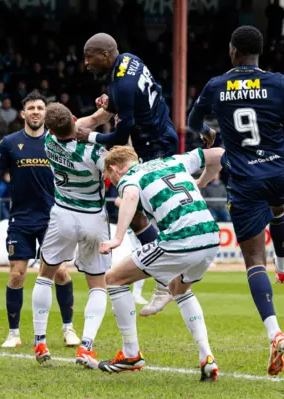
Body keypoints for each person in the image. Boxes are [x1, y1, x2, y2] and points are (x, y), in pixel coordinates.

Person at [187, 26, 284, 375]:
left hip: (243, 181)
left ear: (234, 50)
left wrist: (206, 131)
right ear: (258, 53)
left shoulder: (216, 85)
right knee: (279, 207)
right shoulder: (278, 82)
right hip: (276, 173)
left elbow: (194, 121)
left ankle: (274, 331)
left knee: (254, 260)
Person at [94, 146, 223, 381]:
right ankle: (207, 357)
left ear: (114, 168)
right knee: (180, 288)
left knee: (114, 279)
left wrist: (117, 238)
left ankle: (131, 354)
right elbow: (219, 154)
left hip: (181, 239)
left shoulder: (130, 177)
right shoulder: (174, 160)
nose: (111, 181)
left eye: (109, 177)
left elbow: (130, 197)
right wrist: (202, 181)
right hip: (212, 236)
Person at [75, 33, 179, 311]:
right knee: (136, 216)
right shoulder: (129, 62)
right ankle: (166, 276)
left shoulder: (121, 83)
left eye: (90, 56)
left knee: (153, 216)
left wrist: (91, 138)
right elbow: (141, 92)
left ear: (106, 56)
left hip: (155, 148)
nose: (86, 63)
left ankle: (167, 277)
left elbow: (120, 135)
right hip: (161, 135)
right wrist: (111, 102)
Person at [0, 92, 79, 348]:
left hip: (52, 219)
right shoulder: (9, 143)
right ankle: (13, 334)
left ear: (46, 114)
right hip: (20, 220)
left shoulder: (58, 142)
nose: (35, 112)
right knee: (17, 275)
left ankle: (68, 328)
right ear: (23, 114)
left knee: (60, 272)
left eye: (40, 108)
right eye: (31, 108)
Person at [31, 103, 110, 366]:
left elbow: (75, 123)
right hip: (93, 217)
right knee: (97, 285)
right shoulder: (95, 151)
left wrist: (96, 117)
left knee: (45, 274)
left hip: (63, 214)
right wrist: (113, 113)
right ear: (74, 120)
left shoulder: (48, 141)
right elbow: (116, 168)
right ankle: (86, 347)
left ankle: (40, 341)